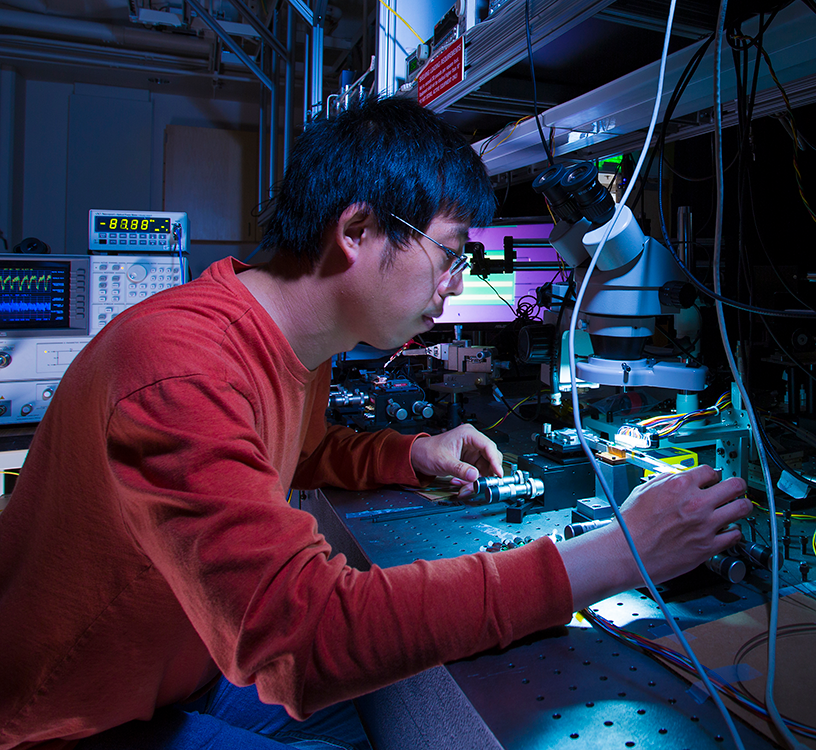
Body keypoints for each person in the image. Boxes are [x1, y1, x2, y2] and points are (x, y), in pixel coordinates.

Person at [0, 96, 751, 750]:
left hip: (180, 668)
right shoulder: (179, 365)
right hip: (72, 724)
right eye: (449, 256)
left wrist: (410, 452)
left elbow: (291, 453)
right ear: (357, 229)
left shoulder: (285, 341)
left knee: (395, 711)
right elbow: (305, 638)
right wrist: (619, 555)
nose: (453, 289)